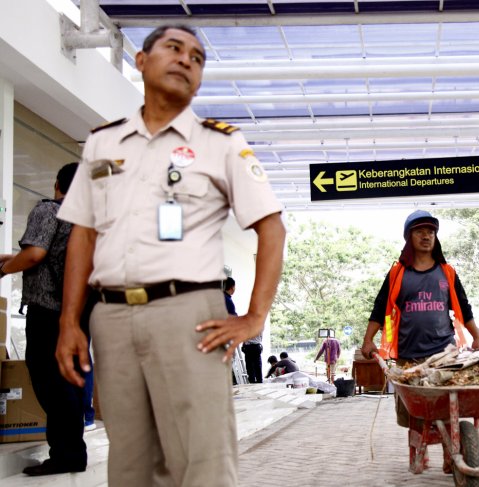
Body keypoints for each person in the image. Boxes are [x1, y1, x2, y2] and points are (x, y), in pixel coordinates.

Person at [54, 25, 286, 486]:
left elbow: (271, 227)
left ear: (199, 80)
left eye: (197, 57)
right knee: (129, 460)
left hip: (190, 316)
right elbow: (82, 234)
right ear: (141, 61)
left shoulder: (220, 143)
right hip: (112, 319)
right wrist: (69, 322)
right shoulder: (103, 142)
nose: (185, 60)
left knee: (201, 457)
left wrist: (255, 316)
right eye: (173, 49)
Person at [361, 210, 479, 473]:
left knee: (448, 406)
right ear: (409, 237)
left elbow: (464, 306)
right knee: (415, 412)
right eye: (420, 231)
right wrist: (368, 339)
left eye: (431, 231)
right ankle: (418, 451)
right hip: (409, 354)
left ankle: (452, 454)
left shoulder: (447, 272)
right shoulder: (397, 273)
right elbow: (380, 307)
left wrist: (477, 337)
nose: (427, 236)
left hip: (445, 356)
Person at [0, 163, 87, 476]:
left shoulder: (48, 210)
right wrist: (14, 259)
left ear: (57, 184)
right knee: (70, 382)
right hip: (77, 312)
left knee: (50, 381)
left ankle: (65, 455)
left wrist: (4, 268)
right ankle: (73, 451)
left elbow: (36, 254)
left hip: (49, 311)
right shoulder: (85, 220)